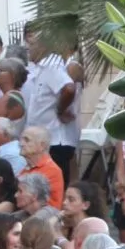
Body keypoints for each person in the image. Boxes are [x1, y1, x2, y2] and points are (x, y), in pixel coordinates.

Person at [21, 27, 81, 181]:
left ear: (43, 46)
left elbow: (68, 89)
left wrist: (60, 110)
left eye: (32, 44)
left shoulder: (52, 66)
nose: (28, 48)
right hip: (43, 143)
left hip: (54, 142)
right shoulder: (40, 69)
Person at [18, 126, 67, 208]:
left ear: (42, 146)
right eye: (21, 140)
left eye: (27, 140)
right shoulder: (26, 169)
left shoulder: (52, 170)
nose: (21, 144)